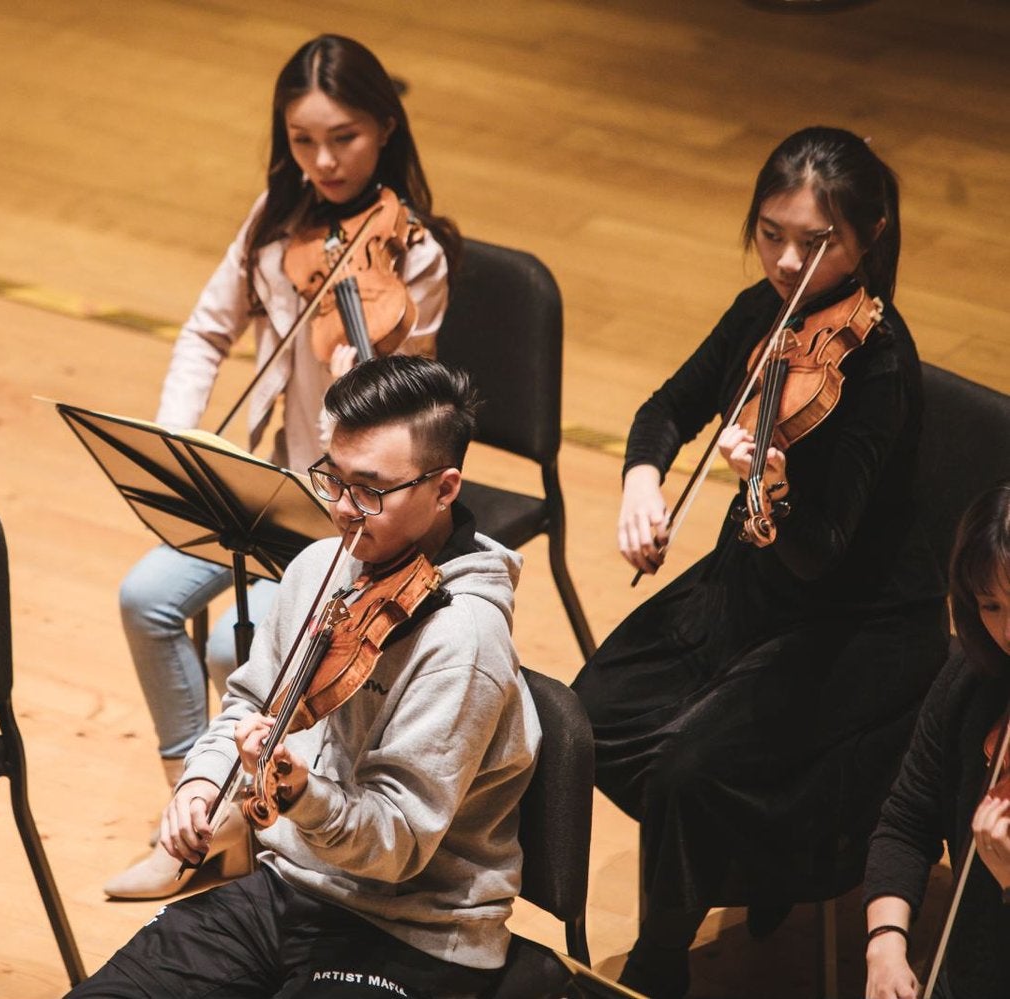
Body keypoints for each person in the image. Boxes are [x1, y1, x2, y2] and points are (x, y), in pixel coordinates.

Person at [570, 126, 948, 999]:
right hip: (753, 581)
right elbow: (669, 406)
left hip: (856, 620)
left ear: (870, 235)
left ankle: (660, 960)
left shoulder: (879, 364)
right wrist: (639, 482)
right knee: (591, 712)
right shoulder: (762, 313)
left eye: (813, 244)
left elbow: (824, 555)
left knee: (686, 770)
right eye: (770, 232)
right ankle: (738, 865)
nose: (784, 261)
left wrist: (773, 493)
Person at [109, 33, 460, 900]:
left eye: (342, 137)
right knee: (144, 599)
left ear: (384, 127)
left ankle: (230, 820)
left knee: (257, 650)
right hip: (267, 482)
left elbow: (412, 412)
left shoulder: (418, 256)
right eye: (303, 141)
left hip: (345, 518)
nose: (324, 161)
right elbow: (205, 331)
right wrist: (176, 436)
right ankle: (195, 809)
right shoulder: (275, 224)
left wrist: (362, 381)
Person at [72, 354, 541, 999]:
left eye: (371, 490)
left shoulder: (463, 642)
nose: (344, 509)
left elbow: (396, 845)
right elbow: (249, 703)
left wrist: (299, 795)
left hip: (413, 931)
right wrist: (203, 784)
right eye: (332, 479)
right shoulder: (324, 566)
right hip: (289, 887)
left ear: (445, 489)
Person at [863, 481, 1010, 998]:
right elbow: (905, 823)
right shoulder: (970, 681)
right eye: (991, 606)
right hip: (966, 971)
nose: (1008, 632)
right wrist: (885, 942)